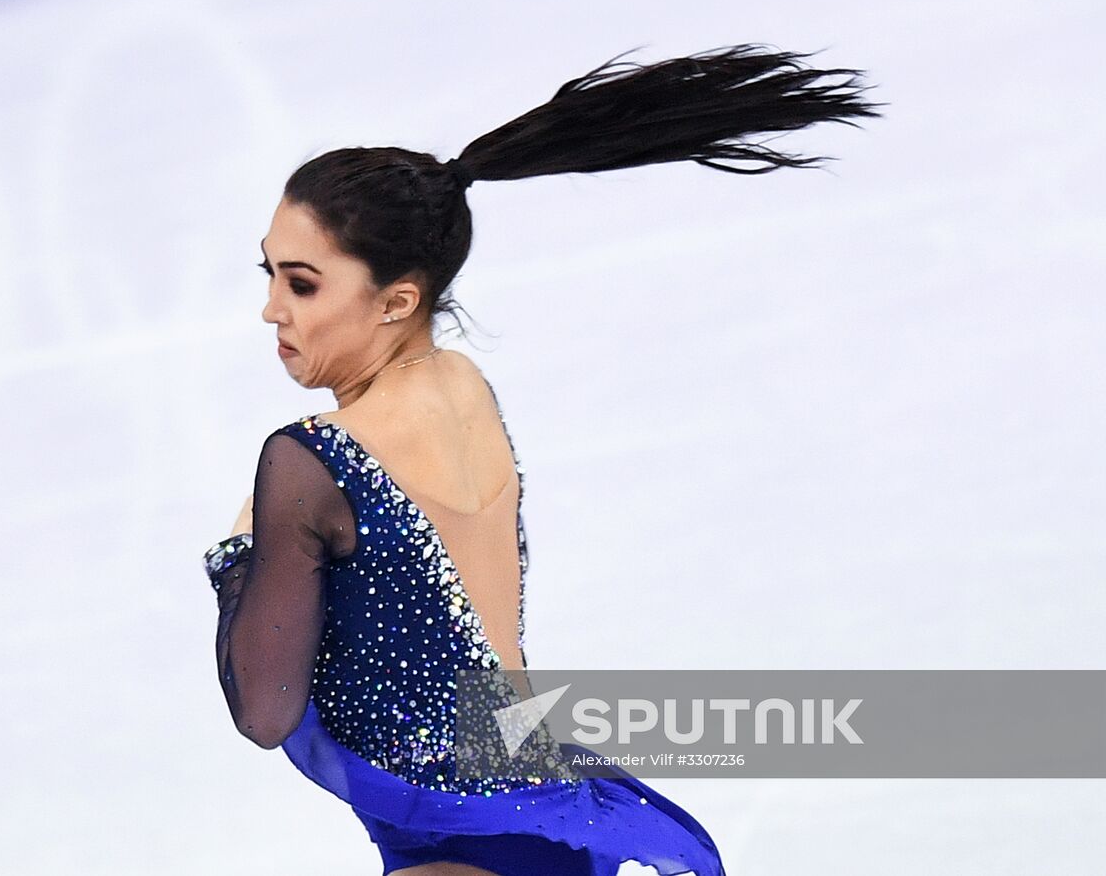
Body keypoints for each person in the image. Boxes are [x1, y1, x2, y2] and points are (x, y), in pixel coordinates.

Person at [201, 43, 883, 876]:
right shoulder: (461, 386)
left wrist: (242, 552)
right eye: (268, 274)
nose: (271, 308)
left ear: (398, 299)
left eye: (302, 284)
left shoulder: (309, 465)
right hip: (526, 780)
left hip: (461, 823)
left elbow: (265, 709)